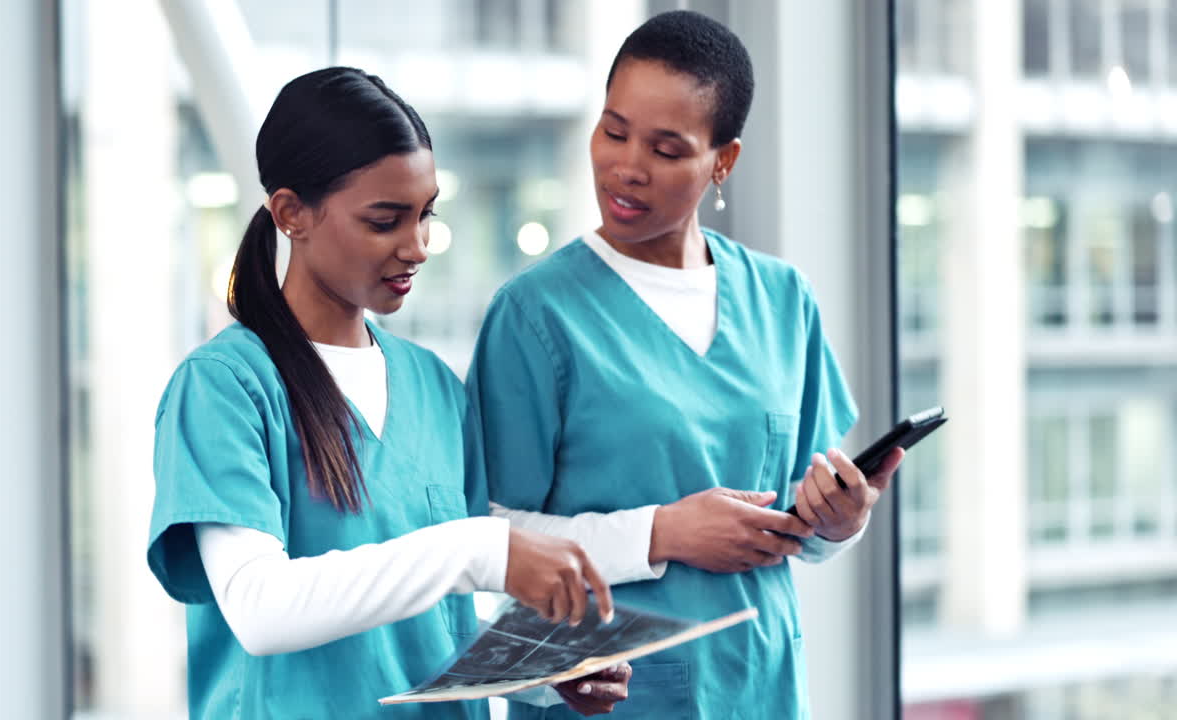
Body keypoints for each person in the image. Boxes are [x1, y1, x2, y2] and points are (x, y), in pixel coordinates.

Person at [146, 67, 630, 720]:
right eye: (385, 221)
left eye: (426, 215)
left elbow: (445, 617)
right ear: (291, 213)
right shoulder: (224, 388)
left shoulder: (435, 388)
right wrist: (480, 550)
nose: (418, 246)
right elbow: (260, 608)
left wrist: (543, 669)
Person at [468, 11, 904, 720]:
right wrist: (660, 534)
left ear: (722, 161)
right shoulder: (535, 314)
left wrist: (839, 521)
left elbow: (795, 522)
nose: (627, 167)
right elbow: (489, 534)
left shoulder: (782, 299)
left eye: (667, 149)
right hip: (607, 692)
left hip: (758, 682)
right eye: (614, 132)